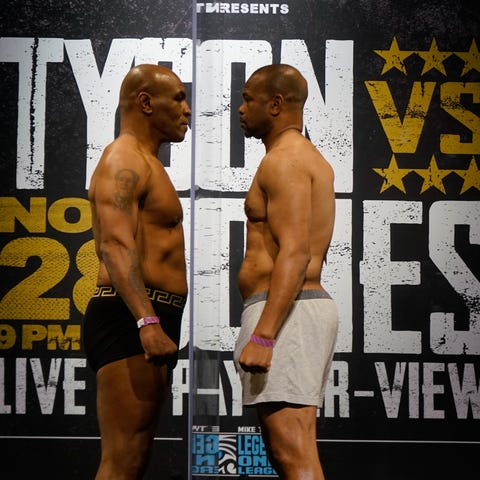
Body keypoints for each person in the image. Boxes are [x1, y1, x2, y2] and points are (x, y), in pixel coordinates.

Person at [84, 64, 191, 479]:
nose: (187, 110)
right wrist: (146, 320)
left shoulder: (146, 161)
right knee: (122, 459)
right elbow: (114, 243)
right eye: (179, 98)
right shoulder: (123, 158)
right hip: (131, 316)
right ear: (146, 102)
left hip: (150, 314)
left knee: (136, 457)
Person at [233, 64, 339, 480]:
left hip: (286, 313)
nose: (240, 108)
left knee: (290, 449)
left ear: (276, 104)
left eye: (248, 99)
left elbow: (295, 253)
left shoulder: (285, 161)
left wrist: (264, 334)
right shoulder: (303, 157)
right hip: (292, 310)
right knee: (293, 451)